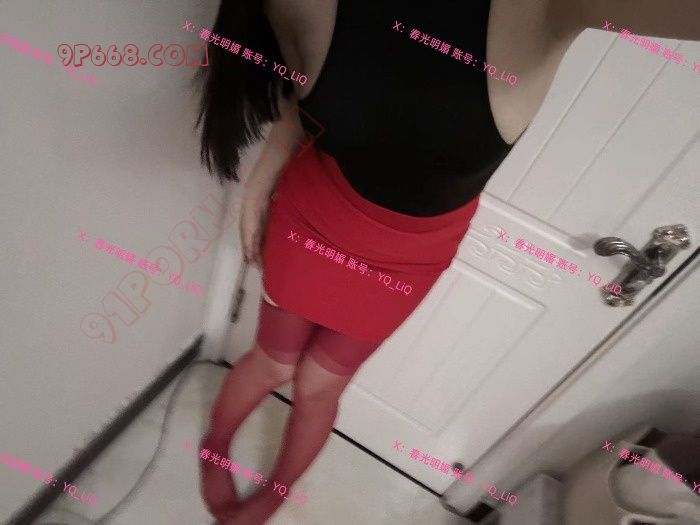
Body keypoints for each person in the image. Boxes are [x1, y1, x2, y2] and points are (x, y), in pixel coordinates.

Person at [194, 1, 699, 523]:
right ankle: (215, 443)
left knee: (320, 385)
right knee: (273, 362)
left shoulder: (537, 9)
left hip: (410, 260)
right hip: (311, 219)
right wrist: (265, 171)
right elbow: (301, 94)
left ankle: (278, 491)